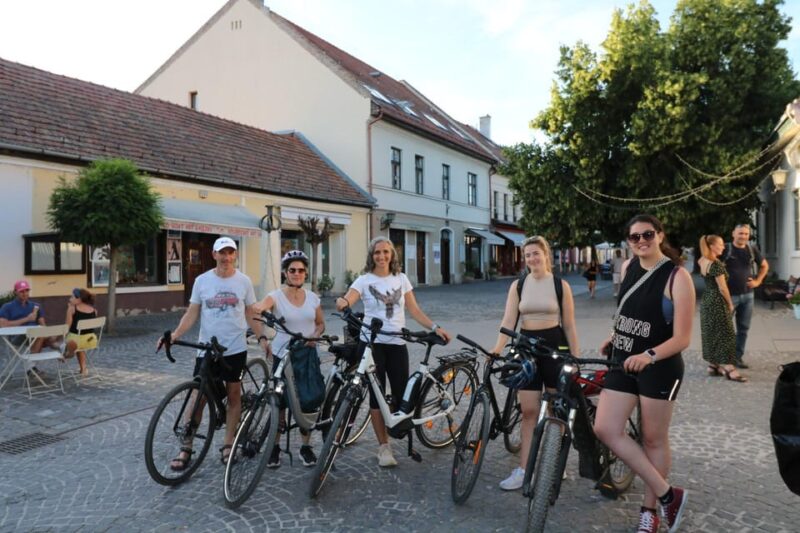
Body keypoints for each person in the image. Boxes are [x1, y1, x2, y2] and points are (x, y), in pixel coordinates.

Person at [593, 214, 693, 533]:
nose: (641, 241)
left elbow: (682, 338)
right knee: (606, 429)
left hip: (660, 368)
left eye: (647, 234)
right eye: (634, 237)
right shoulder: (627, 268)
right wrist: (615, 334)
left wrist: (648, 355)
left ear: (660, 235)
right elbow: (629, 310)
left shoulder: (677, 277)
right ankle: (668, 494)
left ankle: (649, 511)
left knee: (653, 439)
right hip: (622, 360)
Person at [335, 236, 451, 467]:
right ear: (371, 256)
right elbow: (349, 298)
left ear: (392, 255)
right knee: (376, 397)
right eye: (377, 252)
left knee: (400, 394)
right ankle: (384, 447)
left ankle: (398, 425)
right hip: (372, 344)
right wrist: (342, 302)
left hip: (397, 343)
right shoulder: (364, 280)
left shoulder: (401, 278)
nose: (381, 256)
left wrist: (435, 327)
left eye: (386, 252)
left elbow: (414, 310)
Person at [158, 236, 267, 469]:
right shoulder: (202, 281)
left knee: (234, 395)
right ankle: (186, 448)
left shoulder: (244, 282)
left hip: (234, 348)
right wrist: (175, 335)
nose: (226, 257)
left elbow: (250, 313)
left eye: (230, 253)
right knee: (199, 397)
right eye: (222, 253)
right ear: (214, 255)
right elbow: (192, 313)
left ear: (235, 255)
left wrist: (262, 337)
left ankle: (228, 445)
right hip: (206, 349)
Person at [491, 235, 579, 490]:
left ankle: (553, 463)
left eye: (535, 254)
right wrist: (497, 348)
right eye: (527, 255)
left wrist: (574, 357)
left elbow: (570, 325)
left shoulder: (561, 285)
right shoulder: (518, 286)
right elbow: (508, 321)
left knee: (554, 410)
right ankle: (523, 468)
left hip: (554, 347)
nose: (531, 259)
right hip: (525, 349)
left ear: (546, 255)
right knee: (528, 411)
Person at [253, 250, 324, 468]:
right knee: (280, 403)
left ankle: (305, 446)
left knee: (308, 402)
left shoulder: (313, 298)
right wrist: (263, 338)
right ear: (285, 272)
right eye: (292, 270)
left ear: (305, 273)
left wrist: (315, 336)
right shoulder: (275, 296)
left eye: (301, 270)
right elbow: (256, 310)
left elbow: (320, 323)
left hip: (307, 355)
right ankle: (274, 447)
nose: (297, 273)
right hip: (282, 355)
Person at [698, 235, 746, 382]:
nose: (723, 247)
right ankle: (730, 367)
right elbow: (722, 288)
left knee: (712, 332)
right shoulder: (715, 264)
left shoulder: (702, 260)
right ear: (712, 246)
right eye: (720, 244)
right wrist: (730, 304)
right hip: (718, 302)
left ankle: (713, 365)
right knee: (726, 334)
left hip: (707, 301)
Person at [723, 223, 767, 369]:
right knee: (724, 329)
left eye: (746, 234)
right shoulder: (726, 248)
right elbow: (711, 265)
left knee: (743, 329)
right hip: (729, 297)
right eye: (740, 233)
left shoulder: (752, 249)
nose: (743, 236)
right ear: (733, 233)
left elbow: (765, 265)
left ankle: (737, 358)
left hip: (748, 296)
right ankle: (721, 360)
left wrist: (758, 281)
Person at [0, 280, 54, 375]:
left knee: (47, 335)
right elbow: (2, 325)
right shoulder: (7, 307)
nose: (25, 293)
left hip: (35, 336)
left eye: (26, 290)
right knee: (42, 336)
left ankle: (32, 367)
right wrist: (26, 319)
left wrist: (47, 333)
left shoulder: (36, 306)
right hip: (17, 337)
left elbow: (43, 324)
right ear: (15, 292)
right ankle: (59, 349)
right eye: (21, 291)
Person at [63, 288, 98, 376]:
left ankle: (66, 354)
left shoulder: (72, 309)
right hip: (91, 340)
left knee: (64, 343)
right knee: (80, 345)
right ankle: (83, 369)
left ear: (78, 299)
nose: (69, 299)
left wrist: (69, 309)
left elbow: (66, 328)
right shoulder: (94, 310)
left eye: (72, 297)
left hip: (75, 340)